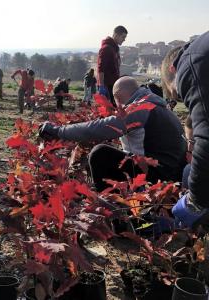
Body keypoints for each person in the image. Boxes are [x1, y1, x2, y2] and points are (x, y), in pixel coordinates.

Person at [39, 76, 186, 191]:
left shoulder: (139, 108)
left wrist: (58, 131)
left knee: (100, 154)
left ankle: (119, 216)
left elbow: (99, 128)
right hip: (175, 171)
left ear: (117, 97)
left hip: (161, 175)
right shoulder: (158, 105)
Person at [161, 32, 209, 229]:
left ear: (172, 71)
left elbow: (207, 140)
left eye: (179, 95)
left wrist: (194, 201)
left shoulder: (190, 64)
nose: (182, 98)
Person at [97, 25, 128, 106]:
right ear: (116, 35)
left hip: (113, 85)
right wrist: (101, 86)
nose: (124, 39)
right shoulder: (106, 48)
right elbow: (101, 69)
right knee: (108, 110)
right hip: (107, 86)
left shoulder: (114, 49)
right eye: (123, 37)